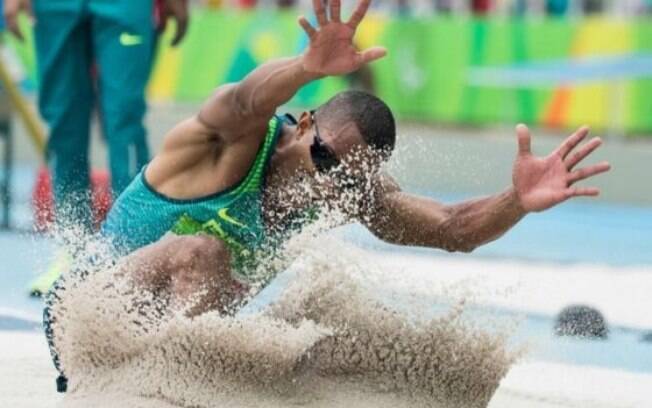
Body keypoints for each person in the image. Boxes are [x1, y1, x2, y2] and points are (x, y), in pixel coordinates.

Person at [45, 0, 610, 391]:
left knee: (329, 340)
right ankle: (159, 387)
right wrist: (302, 67)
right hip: (84, 314)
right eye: (323, 159)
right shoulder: (229, 144)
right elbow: (244, 101)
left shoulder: (341, 190)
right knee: (206, 254)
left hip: (165, 339)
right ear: (306, 122)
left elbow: (451, 227)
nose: (325, 183)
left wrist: (516, 200)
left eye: (345, 179)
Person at [4, 0, 189, 224]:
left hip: (124, 6)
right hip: (55, 7)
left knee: (124, 118)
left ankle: (131, 235)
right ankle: (72, 238)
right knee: (64, 124)